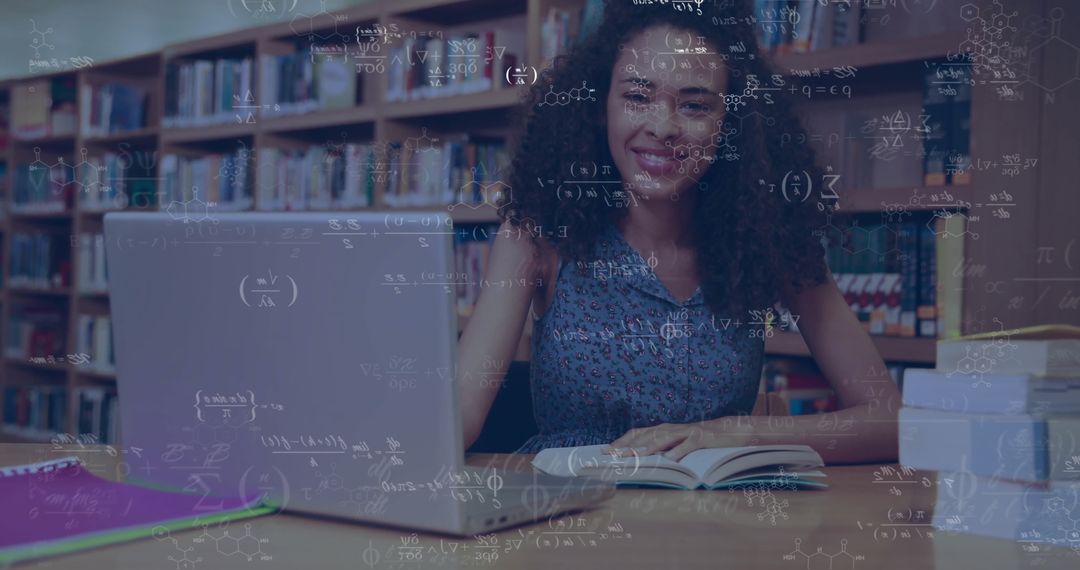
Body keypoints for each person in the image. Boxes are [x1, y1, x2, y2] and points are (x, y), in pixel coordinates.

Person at [457, 0, 900, 464]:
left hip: (719, 520)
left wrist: (741, 434)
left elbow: (890, 421)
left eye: (694, 105)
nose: (663, 128)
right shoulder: (539, 233)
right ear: (599, 106)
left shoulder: (767, 233)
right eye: (637, 96)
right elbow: (462, 411)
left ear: (730, 124)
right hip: (573, 518)